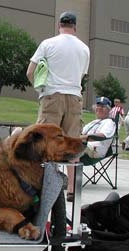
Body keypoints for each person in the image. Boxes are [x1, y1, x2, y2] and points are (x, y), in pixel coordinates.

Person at [26, 11, 90, 200]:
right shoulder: (84, 49)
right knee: (72, 142)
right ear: (75, 27)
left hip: (52, 95)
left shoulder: (48, 44)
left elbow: (30, 72)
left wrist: (42, 91)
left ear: (59, 25)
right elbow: (81, 76)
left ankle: (41, 185)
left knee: (43, 142)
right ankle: (71, 189)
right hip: (74, 97)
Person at [67, 97, 116, 202]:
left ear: (108, 110)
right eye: (98, 106)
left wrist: (81, 137)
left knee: (73, 148)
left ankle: (72, 188)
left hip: (95, 150)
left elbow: (102, 135)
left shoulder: (109, 122)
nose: (99, 108)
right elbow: (80, 134)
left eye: (103, 107)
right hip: (85, 145)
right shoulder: (93, 122)